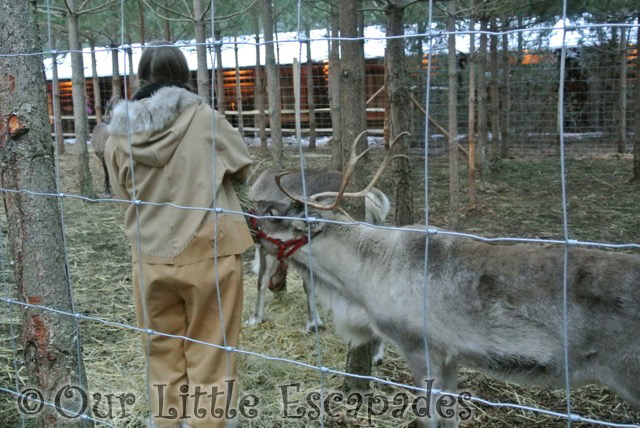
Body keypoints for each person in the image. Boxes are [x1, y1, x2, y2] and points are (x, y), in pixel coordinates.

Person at [105, 41, 253, 428]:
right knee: (211, 351)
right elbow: (241, 166)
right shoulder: (205, 117)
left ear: (141, 77)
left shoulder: (115, 133)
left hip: (149, 256)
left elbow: (122, 195)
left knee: (161, 351)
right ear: (185, 75)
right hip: (209, 253)